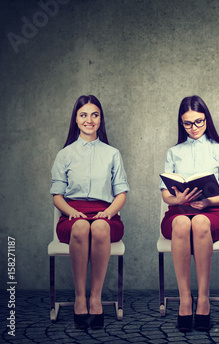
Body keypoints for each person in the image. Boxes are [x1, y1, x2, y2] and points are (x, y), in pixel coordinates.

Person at [160, 95, 219, 332]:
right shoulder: (174, 152)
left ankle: (203, 297)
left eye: (199, 122)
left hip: (211, 213)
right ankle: (186, 298)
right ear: (181, 123)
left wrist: (208, 201)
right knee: (183, 223)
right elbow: (165, 195)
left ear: (207, 120)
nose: (194, 128)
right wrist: (178, 199)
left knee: (201, 222)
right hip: (178, 213)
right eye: (188, 123)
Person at [50, 95, 129, 330]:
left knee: (100, 226)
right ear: (76, 119)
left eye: (94, 114)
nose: (89, 120)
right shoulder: (64, 154)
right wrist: (71, 212)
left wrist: (109, 213)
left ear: (100, 119)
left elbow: (121, 193)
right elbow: (57, 195)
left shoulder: (112, 153)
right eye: (83, 115)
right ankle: (79, 297)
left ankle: (95, 297)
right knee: (82, 226)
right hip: (72, 216)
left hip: (106, 215)